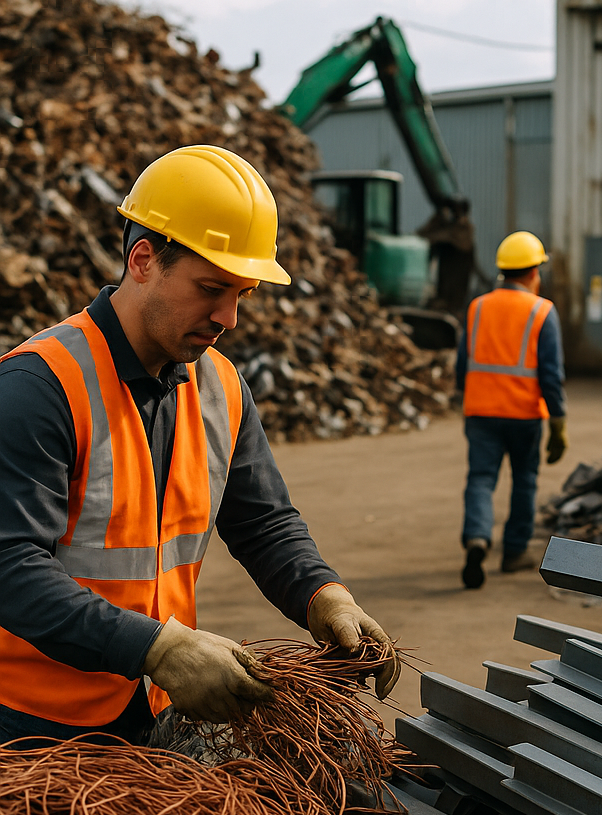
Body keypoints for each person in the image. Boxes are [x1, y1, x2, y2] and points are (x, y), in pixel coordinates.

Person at [0, 144, 398, 747]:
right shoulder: (40, 386)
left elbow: (264, 522)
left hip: (151, 703)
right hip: (32, 724)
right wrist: (157, 646)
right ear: (142, 260)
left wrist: (322, 595)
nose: (229, 317)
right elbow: (9, 564)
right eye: (211, 287)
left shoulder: (221, 387)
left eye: (241, 292)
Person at [456, 231, 568, 589]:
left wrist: (468, 395)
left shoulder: (477, 306)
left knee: (481, 479)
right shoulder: (542, 310)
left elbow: (462, 364)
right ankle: (514, 551)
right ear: (534, 271)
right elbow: (551, 376)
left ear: (503, 271)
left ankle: (477, 538)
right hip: (523, 415)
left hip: (480, 412)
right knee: (524, 481)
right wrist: (558, 424)